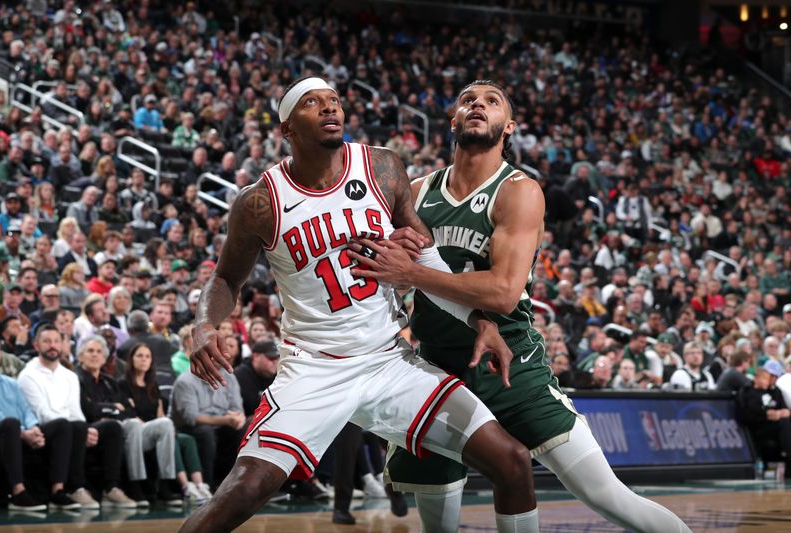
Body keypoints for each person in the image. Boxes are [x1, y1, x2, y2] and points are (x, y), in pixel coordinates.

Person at [180, 77, 538, 533]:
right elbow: (225, 278)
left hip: (389, 361)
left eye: (334, 101)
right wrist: (205, 326)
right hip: (315, 368)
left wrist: (478, 319)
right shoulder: (260, 202)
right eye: (313, 103)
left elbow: (424, 255)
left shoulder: (383, 168)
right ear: (287, 128)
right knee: (243, 492)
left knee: (512, 461)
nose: (330, 109)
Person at [351, 80, 690, 533]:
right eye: (468, 100)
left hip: (509, 362)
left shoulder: (518, 191)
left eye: (492, 103)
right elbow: (386, 271)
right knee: (440, 520)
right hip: (433, 367)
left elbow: (504, 292)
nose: (478, 106)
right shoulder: (416, 192)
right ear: (453, 120)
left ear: (508, 126)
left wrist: (410, 274)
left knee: (607, 495)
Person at [0, 333, 79, 510]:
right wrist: (23, 432)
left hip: (20, 432)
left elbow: (26, 410)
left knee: (62, 424)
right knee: (10, 423)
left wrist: (34, 429)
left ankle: (57, 490)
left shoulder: (11, 383)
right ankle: (18, 492)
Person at [17, 324, 101, 509]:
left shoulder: (70, 376)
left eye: (56, 341)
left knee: (83, 426)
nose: (52, 345)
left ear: (63, 344)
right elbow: (42, 413)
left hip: (65, 426)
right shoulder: (28, 375)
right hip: (42, 428)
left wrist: (86, 429)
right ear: (36, 345)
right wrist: (72, 424)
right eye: (47, 341)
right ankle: (57, 490)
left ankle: (78, 488)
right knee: (65, 424)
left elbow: (75, 411)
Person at [72, 336, 138, 508]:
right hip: (85, 427)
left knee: (129, 426)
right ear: (80, 356)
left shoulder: (110, 381)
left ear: (104, 358)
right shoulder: (74, 379)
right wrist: (112, 408)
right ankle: (111, 487)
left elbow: (128, 410)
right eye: (90, 351)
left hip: (111, 427)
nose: (95, 355)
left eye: (99, 352)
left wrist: (107, 410)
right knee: (113, 426)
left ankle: (137, 486)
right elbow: (87, 409)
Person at [118, 343, 184, 506]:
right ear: (131, 359)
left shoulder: (152, 385)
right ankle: (136, 485)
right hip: (131, 430)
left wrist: (165, 426)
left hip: (149, 431)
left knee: (167, 423)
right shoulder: (122, 383)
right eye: (139, 356)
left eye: (147, 356)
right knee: (134, 424)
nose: (144, 360)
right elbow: (128, 412)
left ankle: (165, 484)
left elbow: (160, 414)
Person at [233, 339, 279, 414]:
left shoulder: (277, 375)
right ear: (255, 356)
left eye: (277, 358)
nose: (275, 361)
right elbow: (251, 408)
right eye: (271, 358)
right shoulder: (241, 375)